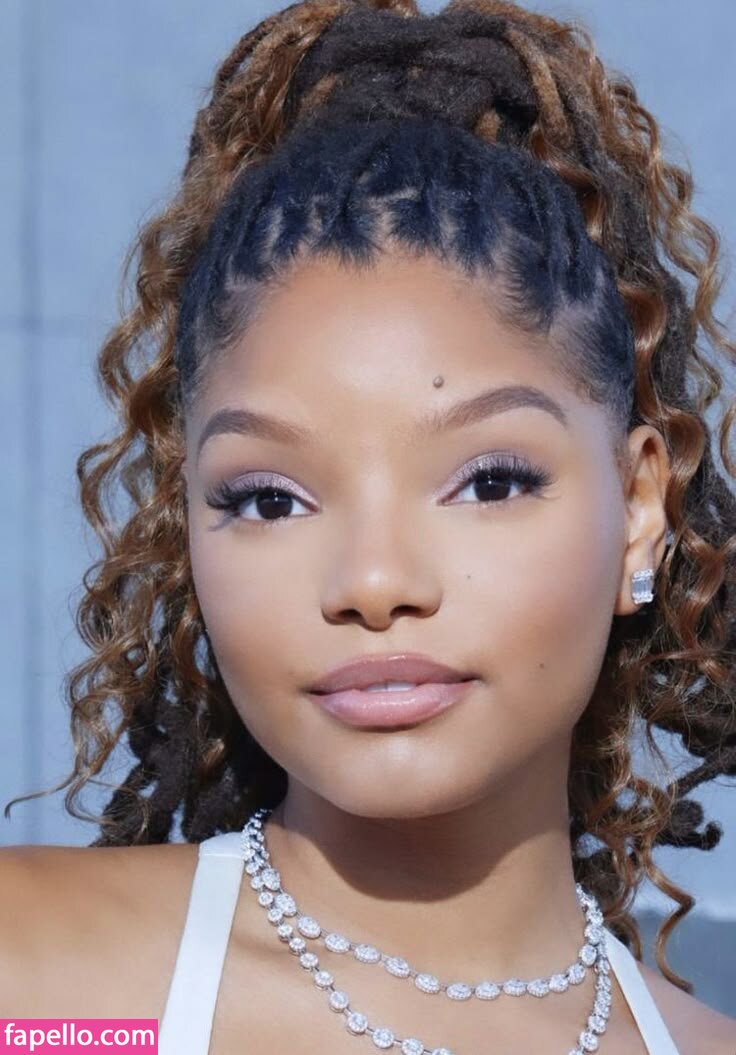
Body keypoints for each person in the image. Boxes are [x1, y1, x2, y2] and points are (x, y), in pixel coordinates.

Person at [2, 1, 735, 1052]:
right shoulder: (40, 982)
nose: (374, 580)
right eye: (269, 498)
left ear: (637, 509)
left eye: (489, 481)